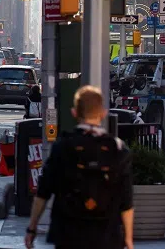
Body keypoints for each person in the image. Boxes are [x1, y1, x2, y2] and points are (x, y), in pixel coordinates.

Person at [25, 85, 133, 249]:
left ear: (74, 113)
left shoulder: (63, 146)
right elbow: (126, 201)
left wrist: (32, 228)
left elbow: (43, 192)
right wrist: (128, 239)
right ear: (103, 113)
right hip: (107, 235)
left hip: (68, 233)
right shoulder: (118, 149)